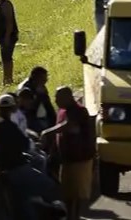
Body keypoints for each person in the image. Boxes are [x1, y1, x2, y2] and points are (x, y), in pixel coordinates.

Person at [0, 94, 64, 216]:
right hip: (15, 168)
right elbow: (23, 144)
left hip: (5, 168)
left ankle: (37, 205)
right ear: (13, 108)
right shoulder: (8, 125)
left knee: (23, 202)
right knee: (49, 185)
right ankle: (48, 207)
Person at [42, 86, 96, 219]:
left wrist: (47, 132)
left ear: (68, 97)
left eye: (58, 97)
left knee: (76, 195)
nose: (55, 100)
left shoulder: (79, 111)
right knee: (67, 193)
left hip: (79, 159)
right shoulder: (62, 111)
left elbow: (69, 125)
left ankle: (74, 217)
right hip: (66, 159)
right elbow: (60, 135)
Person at [18, 66, 58, 133]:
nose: (45, 81)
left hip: (35, 115)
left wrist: (55, 120)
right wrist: (39, 96)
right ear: (36, 78)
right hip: (25, 117)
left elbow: (48, 105)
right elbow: (28, 108)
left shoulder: (40, 86)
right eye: (43, 79)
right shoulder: (25, 90)